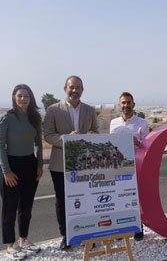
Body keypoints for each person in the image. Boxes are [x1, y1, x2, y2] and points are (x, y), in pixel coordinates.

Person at [43, 76, 98, 250]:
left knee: (87, 199)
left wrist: (91, 135)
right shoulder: (52, 110)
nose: (75, 90)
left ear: (82, 90)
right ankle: (66, 235)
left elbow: (96, 131)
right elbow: (48, 135)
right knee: (62, 200)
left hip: (85, 165)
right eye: (71, 87)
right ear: (65, 89)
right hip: (60, 164)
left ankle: (87, 232)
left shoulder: (90, 110)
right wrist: (67, 140)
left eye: (78, 87)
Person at [0, 84, 43, 260]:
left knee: (26, 207)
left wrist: (40, 165)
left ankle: (23, 240)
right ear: (14, 97)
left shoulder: (35, 117)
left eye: (26, 96)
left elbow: (38, 143)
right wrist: (6, 171)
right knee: (9, 208)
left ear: (30, 98)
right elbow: (0, 145)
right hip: (11, 165)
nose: (23, 99)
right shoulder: (7, 118)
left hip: (30, 165)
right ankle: (11, 245)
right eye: (20, 96)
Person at [110, 92, 149, 240]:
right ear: (119, 105)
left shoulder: (142, 123)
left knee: (136, 198)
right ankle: (121, 228)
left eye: (128, 102)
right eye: (123, 103)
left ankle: (138, 227)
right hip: (118, 166)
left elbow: (147, 146)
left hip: (136, 166)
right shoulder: (113, 123)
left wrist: (137, 142)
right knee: (120, 197)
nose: (126, 105)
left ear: (133, 104)